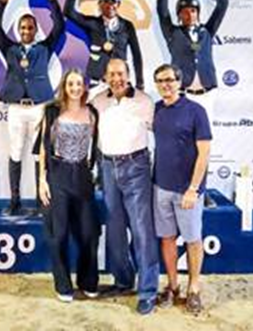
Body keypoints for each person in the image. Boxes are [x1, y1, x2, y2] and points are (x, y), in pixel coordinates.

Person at [91, 58, 160, 315]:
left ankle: (148, 291)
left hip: (136, 167)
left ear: (128, 75)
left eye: (120, 73)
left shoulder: (145, 102)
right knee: (115, 229)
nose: (116, 79)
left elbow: (162, 134)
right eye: (111, 74)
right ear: (105, 77)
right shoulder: (98, 101)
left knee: (142, 230)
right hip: (108, 167)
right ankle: (123, 281)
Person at [0, 0, 65, 215]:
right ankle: (15, 201)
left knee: (39, 154)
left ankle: (41, 200)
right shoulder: (10, 49)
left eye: (30, 28)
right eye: (22, 28)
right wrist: (4, 0)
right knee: (15, 152)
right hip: (16, 108)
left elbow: (60, 26)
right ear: (18, 30)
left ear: (35, 29)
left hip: (39, 108)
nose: (25, 31)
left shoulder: (44, 49)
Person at [152, 63, 211, 314]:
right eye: (160, 81)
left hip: (187, 191)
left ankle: (194, 289)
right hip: (160, 188)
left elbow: (204, 153)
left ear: (179, 81)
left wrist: (193, 189)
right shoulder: (156, 109)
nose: (165, 84)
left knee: (193, 240)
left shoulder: (196, 111)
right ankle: (173, 285)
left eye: (169, 80)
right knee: (167, 239)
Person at [38, 69, 100, 302]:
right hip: (58, 173)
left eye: (79, 84)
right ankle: (63, 285)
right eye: (71, 84)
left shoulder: (92, 112)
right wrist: (42, 180)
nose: (75, 88)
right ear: (64, 86)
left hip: (82, 174)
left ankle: (88, 281)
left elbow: (95, 145)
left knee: (89, 232)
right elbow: (43, 147)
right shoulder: (52, 111)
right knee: (59, 233)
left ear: (84, 87)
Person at [156, 0, 228, 114]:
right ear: (179, 15)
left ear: (198, 13)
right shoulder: (172, 33)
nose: (189, 15)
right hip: (182, 93)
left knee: (206, 129)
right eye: (185, 11)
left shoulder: (207, 31)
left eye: (193, 10)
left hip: (207, 93)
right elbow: (161, 8)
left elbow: (222, 5)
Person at [63, 0, 144, 91]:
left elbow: (136, 54)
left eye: (113, 2)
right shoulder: (93, 23)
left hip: (119, 80)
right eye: (106, 2)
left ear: (118, 4)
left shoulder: (127, 26)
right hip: (97, 82)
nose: (110, 6)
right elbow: (68, 12)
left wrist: (140, 83)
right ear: (100, 4)